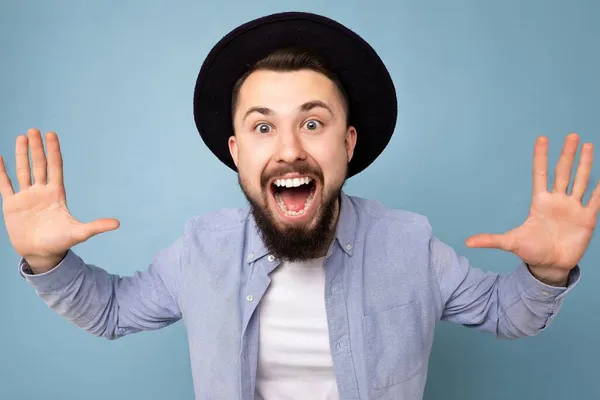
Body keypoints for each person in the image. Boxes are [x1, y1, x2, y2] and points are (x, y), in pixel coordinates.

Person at [1, 11, 598, 400]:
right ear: (236, 152)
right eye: (263, 129)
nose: (289, 150)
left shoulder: (409, 243)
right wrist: (49, 263)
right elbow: (111, 312)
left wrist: (544, 274)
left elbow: (505, 313)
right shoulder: (201, 248)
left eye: (313, 123)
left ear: (348, 143)